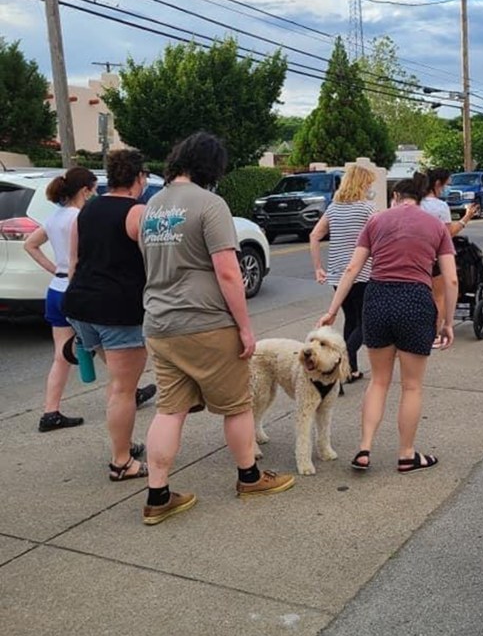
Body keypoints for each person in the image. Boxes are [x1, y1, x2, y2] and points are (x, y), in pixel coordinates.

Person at [139, 131, 295, 525]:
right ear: (212, 166)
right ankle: (250, 476)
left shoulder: (153, 206)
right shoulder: (210, 204)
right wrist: (245, 328)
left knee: (170, 411)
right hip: (205, 322)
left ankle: (157, 495)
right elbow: (228, 272)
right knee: (237, 405)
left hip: (159, 323)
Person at [317, 171, 457, 474]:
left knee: (379, 381)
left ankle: (364, 448)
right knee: (411, 386)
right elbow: (451, 278)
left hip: (377, 298)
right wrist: (448, 322)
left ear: (395, 197)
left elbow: (353, 267)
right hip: (416, 302)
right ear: (419, 200)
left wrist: (332, 309)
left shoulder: (376, 221)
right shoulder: (435, 225)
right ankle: (407, 454)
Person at [64, 149, 152, 482]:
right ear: (139, 177)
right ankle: (121, 462)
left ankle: (124, 442)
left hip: (81, 306)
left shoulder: (87, 210)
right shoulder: (138, 212)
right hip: (119, 310)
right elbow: (154, 263)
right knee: (124, 388)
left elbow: (74, 262)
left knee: (118, 383)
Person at [24, 166, 97, 432]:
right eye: (93, 189)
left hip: (56, 289)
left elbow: (30, 244)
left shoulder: (55, 218)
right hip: (77, 288)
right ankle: (128, 394)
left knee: (61, 355)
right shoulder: (80, 217)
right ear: (84, 190)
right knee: (111, 345)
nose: (94, 195)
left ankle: (50, 411)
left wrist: (54, 268)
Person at [310, 162, 378, 381]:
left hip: (337, 273)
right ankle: (340, 361)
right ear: (362, 184)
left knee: (351, 318)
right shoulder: (367, 209)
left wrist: (319, 268)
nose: (369, 188)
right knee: (365, 322)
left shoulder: (333, 208)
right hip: (362, 272)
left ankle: (351, 370)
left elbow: (314, 236)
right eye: (368, 184)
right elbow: (378, 239)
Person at [420, 168, 478, 346]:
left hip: (415, 256)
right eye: (446, 184)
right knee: (439, 296)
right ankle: (434, 334)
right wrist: (466, 218)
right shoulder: (440, 207)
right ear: (438, 184)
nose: (447, 188)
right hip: (435, 256)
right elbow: (448, 233)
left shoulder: (416, 203)